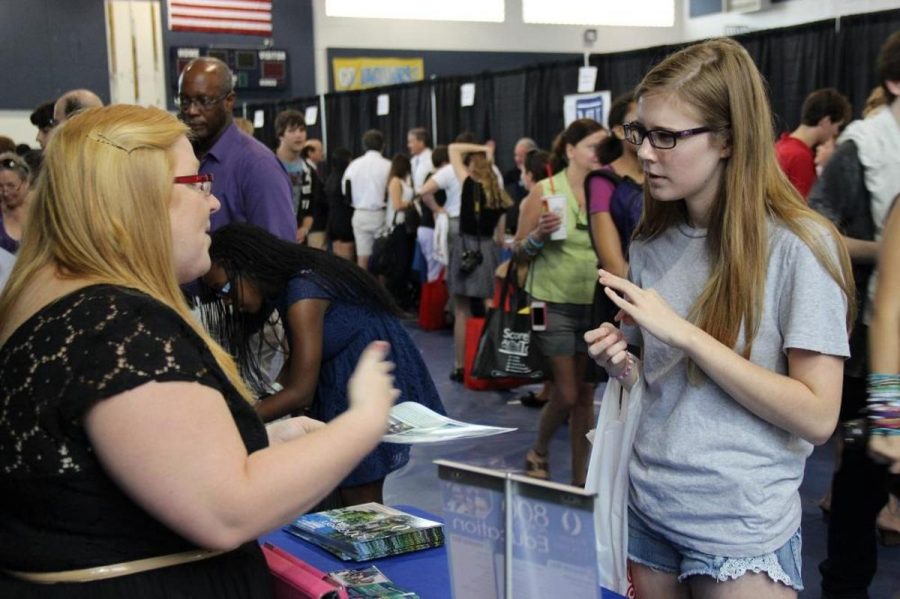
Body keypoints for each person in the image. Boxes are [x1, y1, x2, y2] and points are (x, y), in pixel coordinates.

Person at [0, 104, 398, 597]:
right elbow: (227, 510)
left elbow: (137, 473)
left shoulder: (52, 306)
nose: (212, 204)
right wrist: (362, 422)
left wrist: (263, 440)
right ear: (140, 198)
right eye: (196, 182)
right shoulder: (119, 324)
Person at [584, 38, 854, 597]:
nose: (646, 153)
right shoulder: (652, 240)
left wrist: (684, 333)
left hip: (740, 525)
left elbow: (817, 415)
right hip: (647, 505)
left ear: (728, 139)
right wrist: (624, 364)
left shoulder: (799, 247)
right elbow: (666, 383)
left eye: (667, 137)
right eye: (640, 133)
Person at [202, 223, 445, 506]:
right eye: (220, 295)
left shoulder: (304, 292)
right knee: (331, 486)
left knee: (359, 493)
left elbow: (300, 391)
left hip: (366, 373)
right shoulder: (283, 289)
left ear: (245, 265)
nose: (228, 302)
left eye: (226, 288)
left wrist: (239, 420)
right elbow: (297, 367)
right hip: (339, 372)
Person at [810, 30, 900, 598]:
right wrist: (884, 252)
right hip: (872, 353)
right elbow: (817, 232)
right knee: (860, 486)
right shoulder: (860, 149)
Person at [515, 119, 607, 486]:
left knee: (585, 394)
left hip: (593, 304)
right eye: (593, 148)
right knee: (566, 392)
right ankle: (538, 448)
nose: (600, 156)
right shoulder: (545, 189)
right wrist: (539, 234)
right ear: (571, 151)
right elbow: (519, 250)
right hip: (548, 302)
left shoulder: (607, 190)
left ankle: (581, 481)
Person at [178, 57, 295, 242]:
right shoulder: (179, 159)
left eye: (204, 101)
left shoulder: (259, 167)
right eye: (185, 101)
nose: (192, 110)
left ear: (229, 101)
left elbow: (278, 257)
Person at [588, 93, 645, 279]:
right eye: (639, 124)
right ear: (620, 131)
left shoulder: (664, 174)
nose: (647, 132)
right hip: (626, 294)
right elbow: (613, 266)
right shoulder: (602, 181)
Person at [774, 88, 851, 200]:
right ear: (826, 121)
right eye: (837, 126)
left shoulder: (780, 146)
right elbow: (804, 211)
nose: (836, 132)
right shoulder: (800, 158)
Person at [342, 129, 391, 269]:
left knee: (362, 258)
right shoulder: (388, 165)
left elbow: (345, 191)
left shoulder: (353, 166)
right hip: (381, 214)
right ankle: (381, 290)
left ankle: (362, 289)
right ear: (383, 145)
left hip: (360, 214)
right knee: (382, 258)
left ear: (364, 146)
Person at [273, 110, 314, 244]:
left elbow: (312, 207)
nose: (298, 135)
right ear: (281, 135)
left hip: (298, 243)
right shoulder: (267, 165)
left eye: (302, 130)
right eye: (292, 130)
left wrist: (304, 229)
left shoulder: (309, 170)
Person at [325, 147, 356, 261]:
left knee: (337, 260)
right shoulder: (345, 179)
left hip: (333, 221)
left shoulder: (331, 178)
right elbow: (349, 201)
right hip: (345, 222)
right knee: (346, 260)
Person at [0, 152, 31, 254]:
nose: (5, 192)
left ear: (26, 183)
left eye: (11, 186)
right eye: (0, 186)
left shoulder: (41, 215)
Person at [407, 127, 432, 193]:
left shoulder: (431, 159)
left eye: (411, 142)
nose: (409, 145)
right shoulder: (412, 161)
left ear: (421, 142)